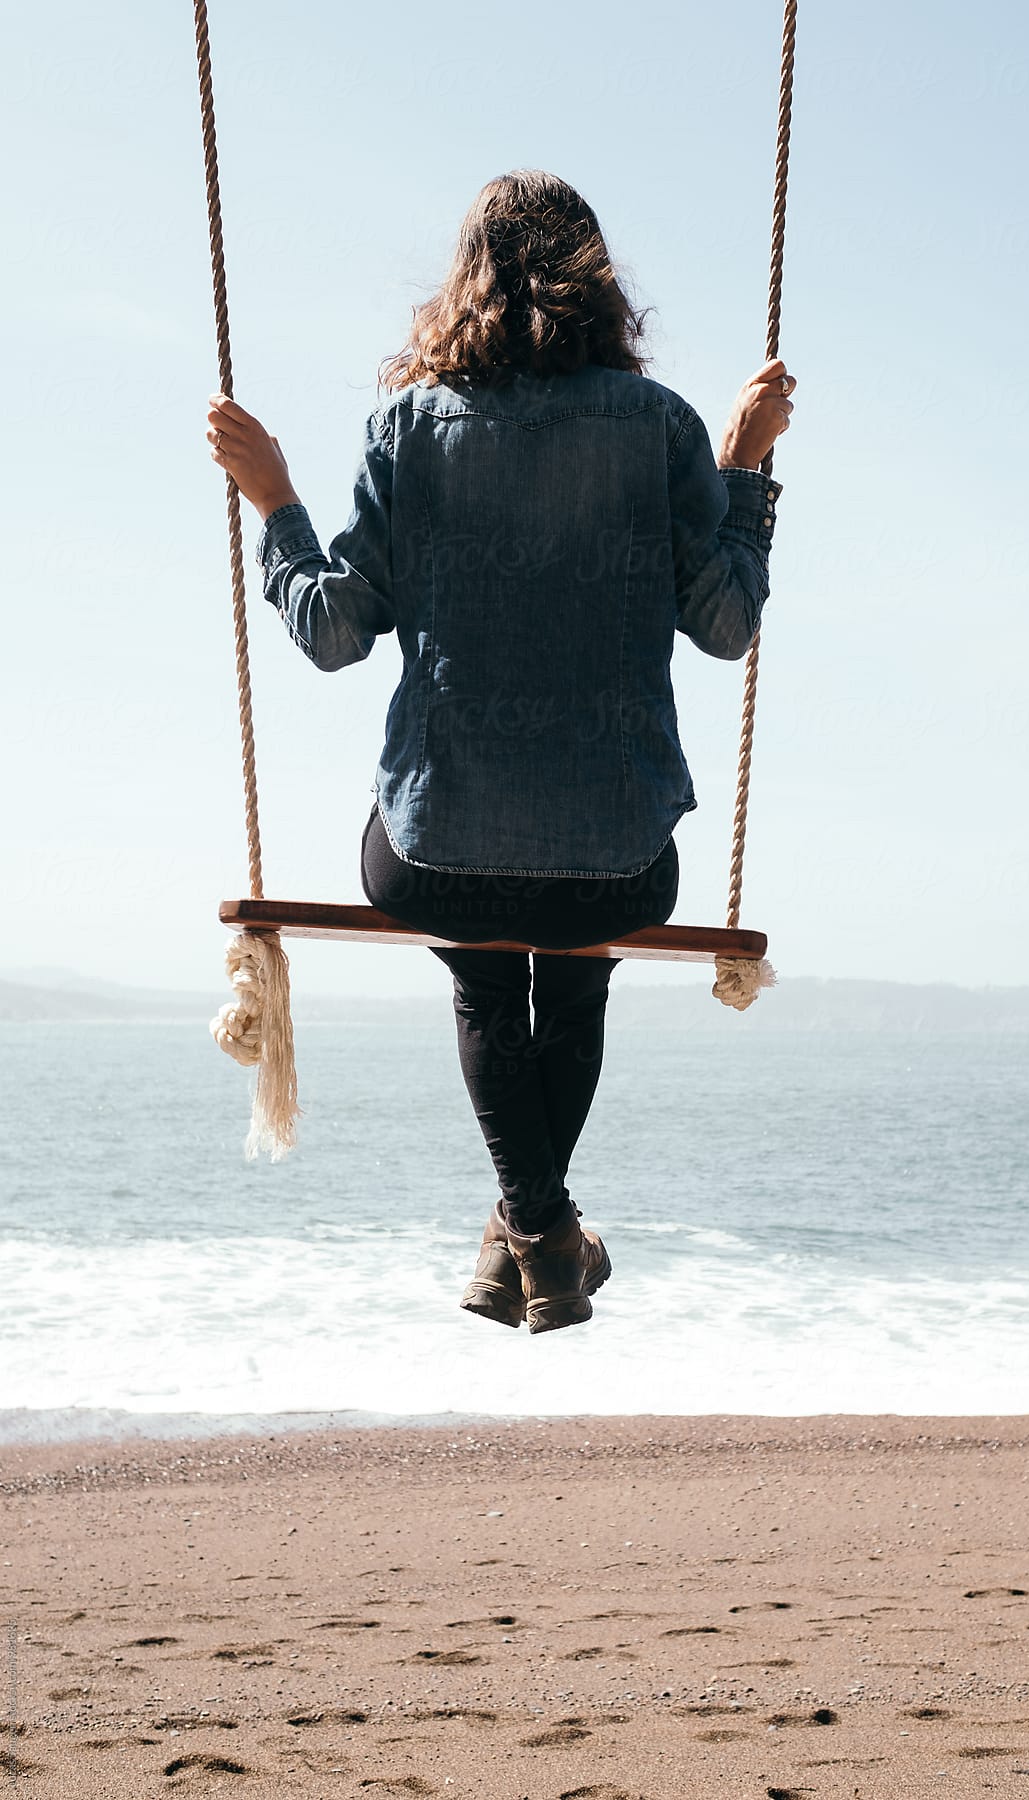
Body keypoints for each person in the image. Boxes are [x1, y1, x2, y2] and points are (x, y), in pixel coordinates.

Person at [205, 169, 791, 1337]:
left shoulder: (410, 430)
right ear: (599, 287)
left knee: (484, 967)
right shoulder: (662, 429)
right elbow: (726, 627)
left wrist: (273, 501)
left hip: (439, 857)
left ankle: (531, 1236)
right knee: (572, 968)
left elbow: (331, 631)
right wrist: (744, 471)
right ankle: (537, 1234)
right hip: (619, 858)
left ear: (465, 281)